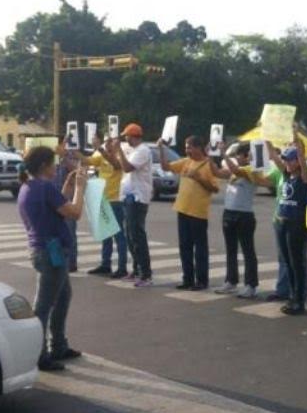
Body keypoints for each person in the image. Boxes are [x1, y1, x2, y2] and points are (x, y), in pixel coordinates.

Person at [17, 146, 87, 371]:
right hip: (51, 251)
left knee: (63, 296)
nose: (56, 166)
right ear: (43, 166)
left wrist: (67, 187)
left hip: (43, 249)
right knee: (44, 305)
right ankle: (40, 354)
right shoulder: (44, 188)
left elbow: (58, 206)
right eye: (53, 162)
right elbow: (74, 212)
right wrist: (80, 188)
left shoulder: (29, 186)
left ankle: (58, 344)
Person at [211, 142, 271, 298]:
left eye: (239, 155)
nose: (237, 157)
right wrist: (209, 157)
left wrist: (223, 152)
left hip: (244, 215)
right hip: (229, 213)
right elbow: (217, 172)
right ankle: (231, 281)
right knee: (231, 250)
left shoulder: (252, 170)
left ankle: (251, 285)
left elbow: (235, 170)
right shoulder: (233, 169)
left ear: (247, 156)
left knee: (248, 251)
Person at [159, 135, 220, 291]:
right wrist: (161, 148)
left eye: (189, 147)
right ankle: (187, 279)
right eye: (186, 147)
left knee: (199, 248)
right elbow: (166, 167)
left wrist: (199, 178)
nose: (187, 150)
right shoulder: (186, 162)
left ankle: (201, 280)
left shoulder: (208, 165)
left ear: (199, 148)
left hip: (198, 213)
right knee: (184, 247)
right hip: (182, 209)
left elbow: (215, 188)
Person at [268, 134, 307, 315]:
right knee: (287, 261)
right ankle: (292, 296)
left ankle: (299, 300)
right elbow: (274, 157)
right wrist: (267, 140)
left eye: (290, 160)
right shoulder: (286, 175)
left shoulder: (304, 178)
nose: (286, 163)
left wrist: (297, 142)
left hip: (297, 224)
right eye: (286, 159)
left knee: (297, 262)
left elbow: (302, 160)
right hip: (282, 222)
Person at [113, 123, 153, 288]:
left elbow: (127, 168)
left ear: (134, 136)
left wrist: (120, 151)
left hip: (138, 197)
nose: (125, 139)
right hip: (128, 196)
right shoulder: (132, 150)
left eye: (127, 136)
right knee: (129, 234)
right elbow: (118, 164)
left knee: (137, 235)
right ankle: (136, 269)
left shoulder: (143, 150)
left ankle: (146, 274)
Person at [83, 134, 129, 279]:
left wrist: (101, 150)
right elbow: (86, 160)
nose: (107, 144)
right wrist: (72, 150)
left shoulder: (119, 156)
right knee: (105, 233)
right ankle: (105, 264)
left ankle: (122, 267)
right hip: (103, 198)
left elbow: (116, 165)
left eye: (110, 141)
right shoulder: (101, 156)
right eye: (106, 142)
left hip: (116, 199)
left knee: (118, 234)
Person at [53, 145, 82, 273]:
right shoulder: (51, 156)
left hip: (68, 198)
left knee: (69, 230)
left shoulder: (71, 154)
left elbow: (77, 170)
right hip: (54, 197)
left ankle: (71, 262)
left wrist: (64, 156)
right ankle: (57, 262)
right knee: (54, 233)